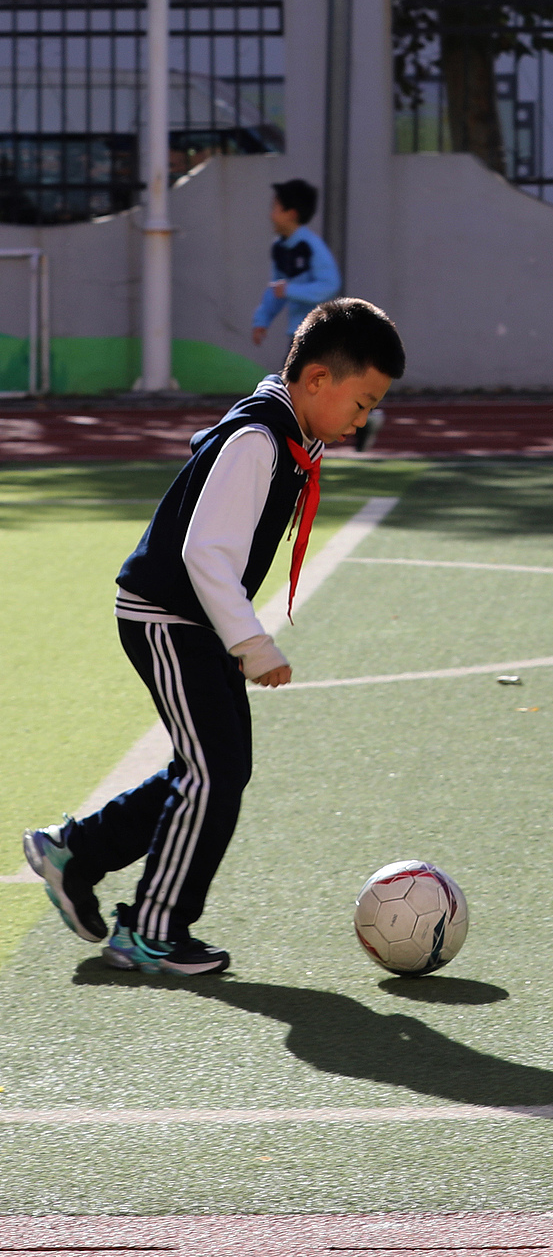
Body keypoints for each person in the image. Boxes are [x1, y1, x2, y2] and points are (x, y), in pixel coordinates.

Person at [21, 299, 404, 976]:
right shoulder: (258, 440)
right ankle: (149, 930)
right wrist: (253, 643)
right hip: (169, 617)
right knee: (212, 771)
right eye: (362, 401)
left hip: (195, 619)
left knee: (213, 769)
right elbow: (205, 554)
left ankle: (75, 852)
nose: (362, 419)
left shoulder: (288, 432)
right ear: (317, 380)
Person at [250, 180, 341, 352]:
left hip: (320, 333)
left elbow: (330, 285)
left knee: (299, 377)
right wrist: (262, 320)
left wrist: (290, 290)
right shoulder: (279, 247)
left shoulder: (311, 246)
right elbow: (276, 289)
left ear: (291, 214)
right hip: (298, 332)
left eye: (275, 208)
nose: (270, 215)